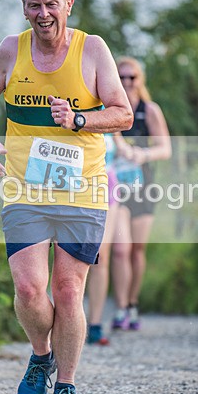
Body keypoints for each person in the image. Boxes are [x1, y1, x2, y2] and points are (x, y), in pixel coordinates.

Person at [0, 0, 133, 394]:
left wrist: (79, 118)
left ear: (68, 3)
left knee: (67, 290)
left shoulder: (92, 49)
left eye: (51, 4)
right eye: (34, 5)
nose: (43, 13)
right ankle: (41, 355)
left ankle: (66, 386)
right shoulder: (11, 50)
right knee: (28, 290)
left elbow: (122, 114)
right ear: (24, 8)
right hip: (26, 187)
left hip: (82, 188)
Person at [110, 56, 171, 332]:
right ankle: (120, 307)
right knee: (120, 250)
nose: (126, 82)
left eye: (131, 77)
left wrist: (141, 154)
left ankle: (133, 304)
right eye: (121, 77)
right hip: (117, 188)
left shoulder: (150, 110)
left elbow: (165, 149)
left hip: (144, 186)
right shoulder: (109, 108)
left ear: (139, 79)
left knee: (137, 250)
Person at [84, 133, 121, 346]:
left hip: (107, 183)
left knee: (100, 255)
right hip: (75, 183)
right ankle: (66, 322)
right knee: (71, 254)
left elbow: (121, 145)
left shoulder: (112, 115)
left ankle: (95, 325)